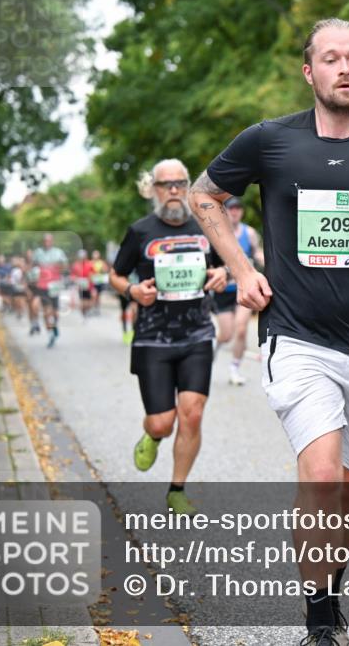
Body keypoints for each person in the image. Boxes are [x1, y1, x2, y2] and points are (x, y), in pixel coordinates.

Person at [189, 18, 349, 646]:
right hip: (296, 337)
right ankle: (319, 622)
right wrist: (242, 268)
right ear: (309, 72)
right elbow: (206, 197)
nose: (345, 68)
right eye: (332, 58)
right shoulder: (270, 140)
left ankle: (331, 587)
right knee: (323, 477)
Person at [110, 158, 227, 516]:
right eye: (166, 185)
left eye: (180, 183)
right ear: (153, 190)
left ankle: (177, 489)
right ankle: (153, 435)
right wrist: (132, 292)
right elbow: (115, 276)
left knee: (191, 414)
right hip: (151, 339)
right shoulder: (140, 231)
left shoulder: (206, 226)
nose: (174, 190)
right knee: (163, 420)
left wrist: (222, 273)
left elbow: (230, 262)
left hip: (196, 333)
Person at [212, 197, 263, 386]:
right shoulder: (217, 233)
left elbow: (257, 253)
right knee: (225, 334)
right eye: (231, 208)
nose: (235, 212)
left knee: (241, 329)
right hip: (224, 289)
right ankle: (212, 353)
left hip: (244, 287)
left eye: (238, 209)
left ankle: (235, 369)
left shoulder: (249, 233)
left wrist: (267, 260)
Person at [32, 233, 69, 348]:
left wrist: (60, 266)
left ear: (52, 241)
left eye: (49, 241)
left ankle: (55, 326)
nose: (47, 242)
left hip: (54, 285)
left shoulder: (58, 252)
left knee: (55, 312)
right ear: (43, 242)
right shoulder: (38, 253)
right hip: (42, 285)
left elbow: (65, 266)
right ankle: (50, 335)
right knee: (46, 311)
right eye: (45, 241)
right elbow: (33, 266)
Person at [71, 250, 94, 319]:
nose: (82, 258)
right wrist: (75, 279)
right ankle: (83, 313)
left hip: (89, 286)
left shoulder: (90, 264)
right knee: (82, 301)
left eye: (84, 256)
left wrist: (91, 277)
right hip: (80, 286)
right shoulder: (76, 265)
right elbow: (72, 275)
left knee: (88, 302)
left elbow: (93, 274)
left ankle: (86, 311)